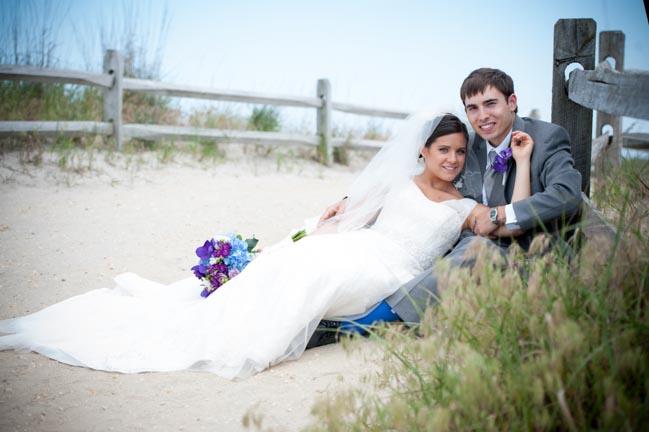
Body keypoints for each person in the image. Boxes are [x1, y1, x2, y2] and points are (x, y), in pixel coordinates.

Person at [0, 112, 533, 380]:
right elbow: (350, 214)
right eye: (445, 149)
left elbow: (513, 222)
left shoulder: (465, 206)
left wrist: (525, 162)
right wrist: (329, 217)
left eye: (461, 153)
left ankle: (248, 337)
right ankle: (221, 321)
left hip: (388, 274)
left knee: (318, 274)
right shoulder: (396, 184)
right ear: (423, 149)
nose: (454, 160)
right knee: (298, 257)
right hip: (358, 247)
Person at [312, 68, 582, 337]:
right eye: (472, 108)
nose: (482, 116)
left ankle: (365, 324)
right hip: (468, 243)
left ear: (511, 102)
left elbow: (565, 194)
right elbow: (419, 172)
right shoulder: (468, 144)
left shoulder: (547, 138)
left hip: (526, 254)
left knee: (474, 247)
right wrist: (350, 200)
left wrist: (498, 215)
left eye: (491, 104)